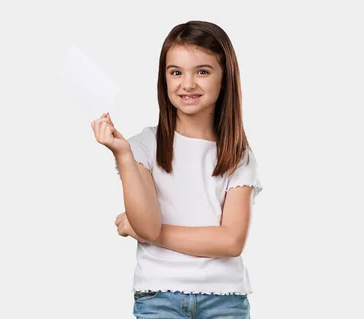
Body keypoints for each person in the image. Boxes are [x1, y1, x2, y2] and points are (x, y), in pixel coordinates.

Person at [90, 20, 262, 318]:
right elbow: (146, 225)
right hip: (159, 298)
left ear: (225, 78)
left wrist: (150, 233)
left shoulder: (238, 154)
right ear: (164, 78)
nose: (188, 84)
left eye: (203, 71)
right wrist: (123, 156)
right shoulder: (142, 147)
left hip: (225, 301)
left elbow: (231, 241)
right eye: (176, 72)